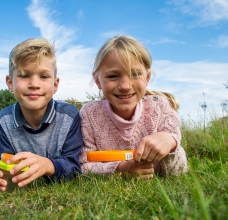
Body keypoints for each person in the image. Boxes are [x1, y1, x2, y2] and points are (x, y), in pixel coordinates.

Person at [80, 35, 188, 179]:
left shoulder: (161, 107)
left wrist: (170, 142)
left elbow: (179, 171)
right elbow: (84, 167)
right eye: (113, 76)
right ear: (98, 81)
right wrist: (120, 169)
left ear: (147, 78)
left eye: (135, 74)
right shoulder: (89, 114)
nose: (125, 86)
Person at [0, 38, 83, 192]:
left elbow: (75, 167)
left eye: (44, 76)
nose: (34, 84)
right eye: (24, 75)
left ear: (55, 85)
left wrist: (48, 165)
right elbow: (2, 162)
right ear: (10, 83)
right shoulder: (4, 120)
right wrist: (0, 176)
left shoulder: (69, 116)